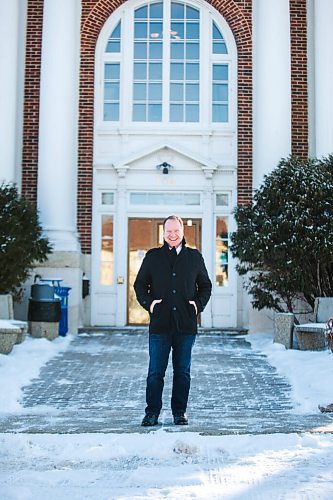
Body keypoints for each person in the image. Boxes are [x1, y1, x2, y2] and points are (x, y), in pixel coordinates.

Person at [134, 215, 212, 426]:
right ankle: (152, 413)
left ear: (182, 231)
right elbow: (140, 285)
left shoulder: (194, 257)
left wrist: (197, 305)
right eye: (168, 231)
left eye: (176, 230)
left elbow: (206, 286)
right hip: (160, 324)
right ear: (163, 232)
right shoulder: (153, 257)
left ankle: (180, 411)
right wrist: (150, 304)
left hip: (186, 325)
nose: (172, 234)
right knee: (155, 372)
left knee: (183, 372)